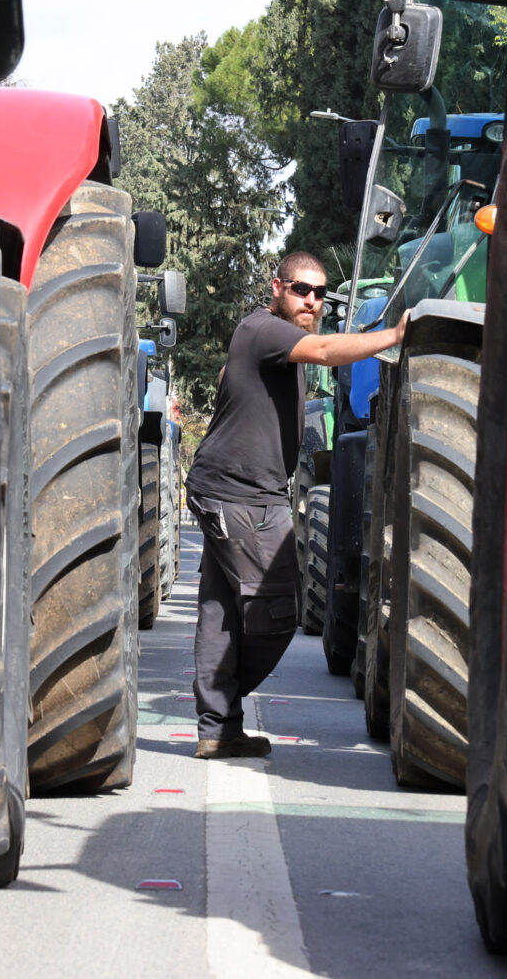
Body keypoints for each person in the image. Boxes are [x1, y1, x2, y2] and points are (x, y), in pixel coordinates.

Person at [185, 250, 402, 758]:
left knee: (220, 611)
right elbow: (326, 350)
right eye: (301, 289)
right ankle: (223, 709)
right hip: (243, 497)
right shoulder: (266, 330)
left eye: (320, 293)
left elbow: (231, 384)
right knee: (278, 611)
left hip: (230, 489)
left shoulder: (265, 341)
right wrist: (393, 335)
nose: (311, 300)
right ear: (277, 287)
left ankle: (219, 728)